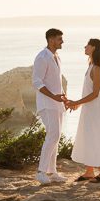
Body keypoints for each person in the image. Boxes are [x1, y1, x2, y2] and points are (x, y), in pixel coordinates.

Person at [66, 38, 100, 183]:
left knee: (97, 138)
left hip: (96, 110)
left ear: (93, 48)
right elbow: (88, 92)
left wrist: (77, 102)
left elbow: (95, 94)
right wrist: (78, 105)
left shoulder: (97, 68)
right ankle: (89, 171)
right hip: (89, 108)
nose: (84, 47)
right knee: (88, 138)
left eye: (87, 45)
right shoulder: (91, 65)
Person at [33, 28, 67, 184]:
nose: (62, 41)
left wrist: (63, 99)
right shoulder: (42, 57)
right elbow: (37, 82)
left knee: (56, 136)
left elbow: (56, 83)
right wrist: (53, 96)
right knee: (52, 135)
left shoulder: (56, 57)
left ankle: (52, 172)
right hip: (47, 104)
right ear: (51, 39)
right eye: (60, 39)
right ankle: (41, 172)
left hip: (57, 104)